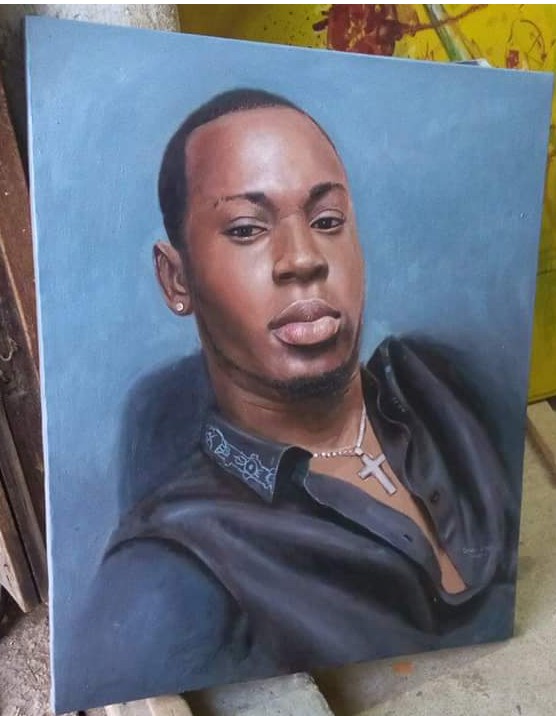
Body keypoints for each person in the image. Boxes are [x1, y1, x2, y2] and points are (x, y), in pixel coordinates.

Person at [57, 89, 518, 712]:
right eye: (247, 229)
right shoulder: (172, 571)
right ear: (176, 277)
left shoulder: (451, 386)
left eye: (327, 221)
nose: (303, 259)